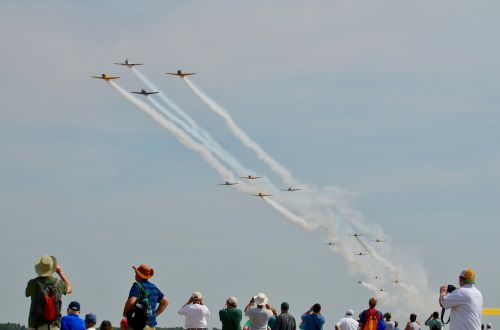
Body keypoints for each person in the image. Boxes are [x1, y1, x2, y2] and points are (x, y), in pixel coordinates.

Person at [26, 255, 73, 330]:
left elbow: (27, 294)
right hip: (53, 325)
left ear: (39, 269)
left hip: (35, 325)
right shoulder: (59, 284)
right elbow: (70, 289)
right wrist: (60, 272)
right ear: (52, 268)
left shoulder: (32, 283)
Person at [123, 264, 169, 330]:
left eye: (136, 273)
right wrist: (154, 314)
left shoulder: (137, 285)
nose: (135, 274)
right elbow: (165, 302)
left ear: (139, 274)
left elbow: (131, 302)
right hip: (152, 326)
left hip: (139, 325)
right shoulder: (154, 287)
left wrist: (125, 312)